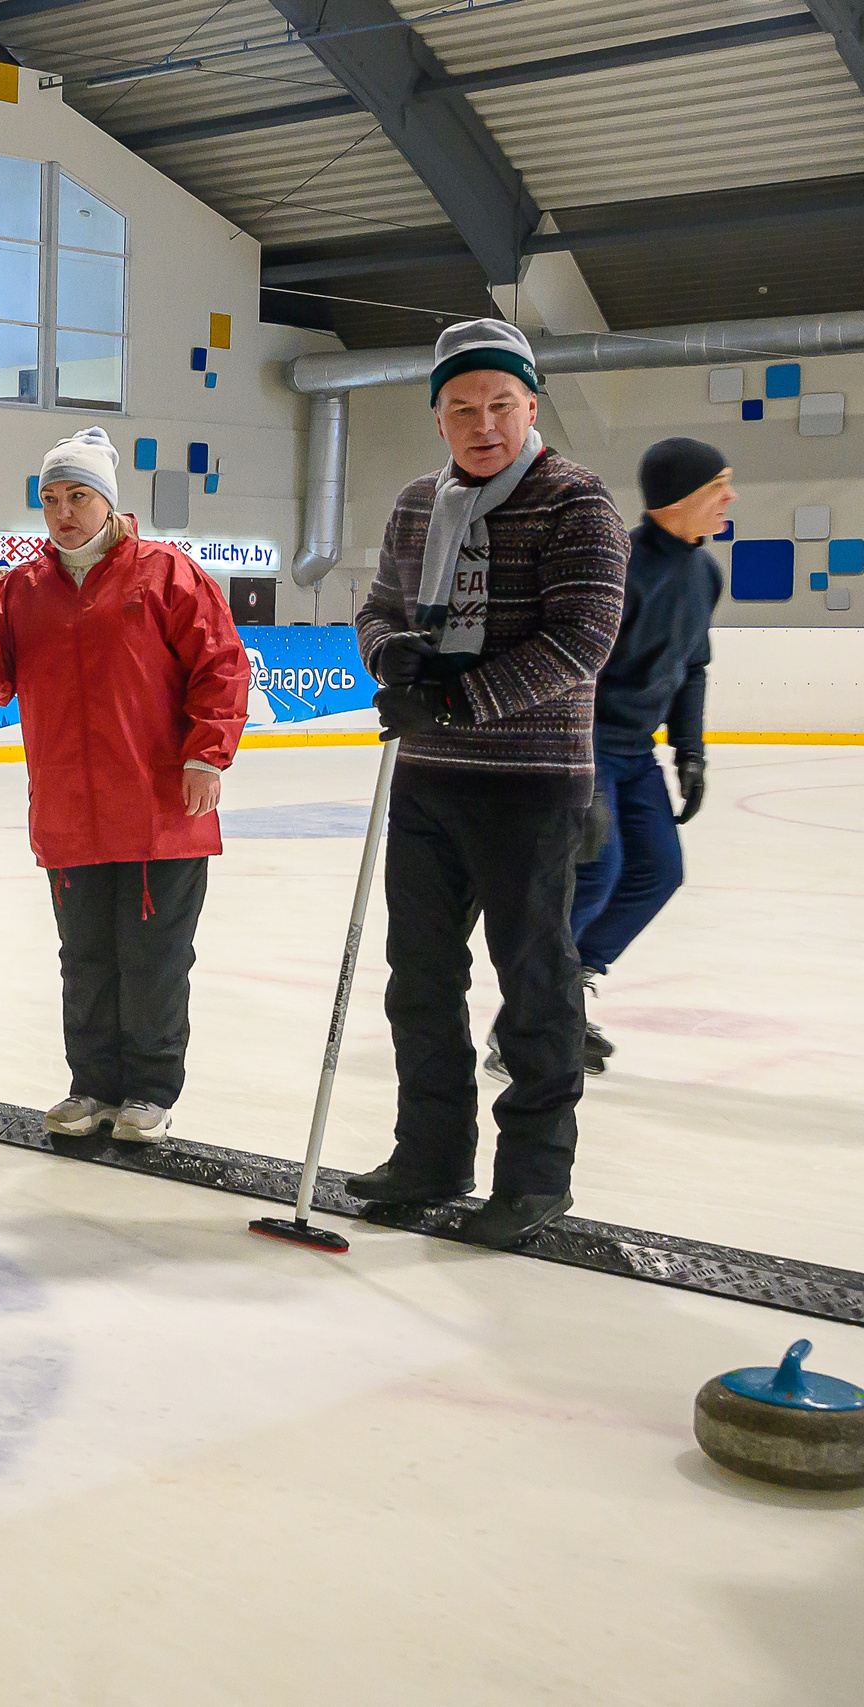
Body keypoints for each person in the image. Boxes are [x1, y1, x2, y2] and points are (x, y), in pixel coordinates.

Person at [351, 318, 627, 1248]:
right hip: (429, 782)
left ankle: (537, 1175)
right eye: (463, 407)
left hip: (531, 784)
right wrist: (395, 663)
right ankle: (430, 1153)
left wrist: (458, 702)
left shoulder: (576, 503)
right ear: (438, 417)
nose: (483, 423)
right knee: (420, 981)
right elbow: (380, 608)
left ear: (530, 406)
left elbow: (581, 642)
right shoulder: (416, 506)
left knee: (535, 982)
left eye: (501, 404)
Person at [0, 426, 250, 1144]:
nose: (62, 511)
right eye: (50, 498)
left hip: (158, 810)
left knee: (152, 958)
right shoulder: (19, 589)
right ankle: (93, 1084)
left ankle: (148, 1088)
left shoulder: (167, 573)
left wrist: (207, 755)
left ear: (108, 500)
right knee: (85, 958)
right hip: (69, 811)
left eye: (77, 496)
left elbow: (223, 665)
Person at [560, 437, 730, 1065]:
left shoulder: (704, 573)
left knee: (658, 871)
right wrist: (585, 778)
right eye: (719, 487)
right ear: (678, 499)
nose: (730, 498)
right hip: (589, 740)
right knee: (597, 872)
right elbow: (578, 674)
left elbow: (693, 668)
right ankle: (534, 1016)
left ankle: (568, 984)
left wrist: (691, 751)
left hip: (637, 749)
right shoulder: (622, 566)